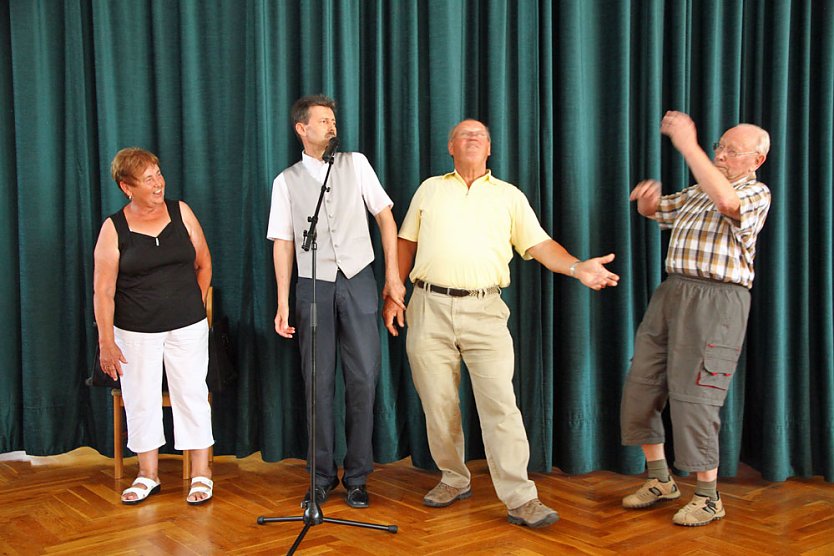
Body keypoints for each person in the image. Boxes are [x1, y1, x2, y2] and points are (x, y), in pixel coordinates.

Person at [383, 119, 619, 528]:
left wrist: (578, 267)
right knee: (438, 404)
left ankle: (520, 497)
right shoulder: (430, 189)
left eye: (480, 136)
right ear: (450, 146)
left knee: (501, 406)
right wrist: (394, 292)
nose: (473, 139)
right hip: (428, 306)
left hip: (486, 311)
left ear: (489, 149)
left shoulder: (509, 196)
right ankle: (454, 479)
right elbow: (407, 242)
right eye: (464, 135)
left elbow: (540, 244)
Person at [620, 111, 771, 526]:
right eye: (719, 146)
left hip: (717, 300)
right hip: (672, 293)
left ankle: (708, 496)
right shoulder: (698, 190)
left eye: (731, 150)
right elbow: (658, 212)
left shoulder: (756, 193)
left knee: (696, 396)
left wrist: (689, 145)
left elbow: (728, 202)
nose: (721, 154)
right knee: (642, 386)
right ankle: (660, 480)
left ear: (755, 160)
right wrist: (649, 203)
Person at [267, 95, 405, 509]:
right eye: (322, 121)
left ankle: (358, 476)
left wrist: (392, 276)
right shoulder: (285, 181)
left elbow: (384, 216)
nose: (331, 126)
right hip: (312, 284)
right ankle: (321, 476)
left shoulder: (356, 163)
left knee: (363, 378)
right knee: (317, 383)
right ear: (301, 128)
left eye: (333, 120)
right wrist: (282, 301)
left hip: (360, 277)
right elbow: (284, 242)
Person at [93, 147, 214, 505]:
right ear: (126, 186)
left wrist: (192, 305)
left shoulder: (182, 212)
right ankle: (147, 475)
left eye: (159, 174)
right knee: (140, 399)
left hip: (187, 327)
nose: (159, 183)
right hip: (133, 332)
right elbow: (103, 291)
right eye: (148, 179)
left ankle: (202, 475)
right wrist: (106, 341)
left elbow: (204, 264)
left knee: (191, 395)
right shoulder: (113, 228)